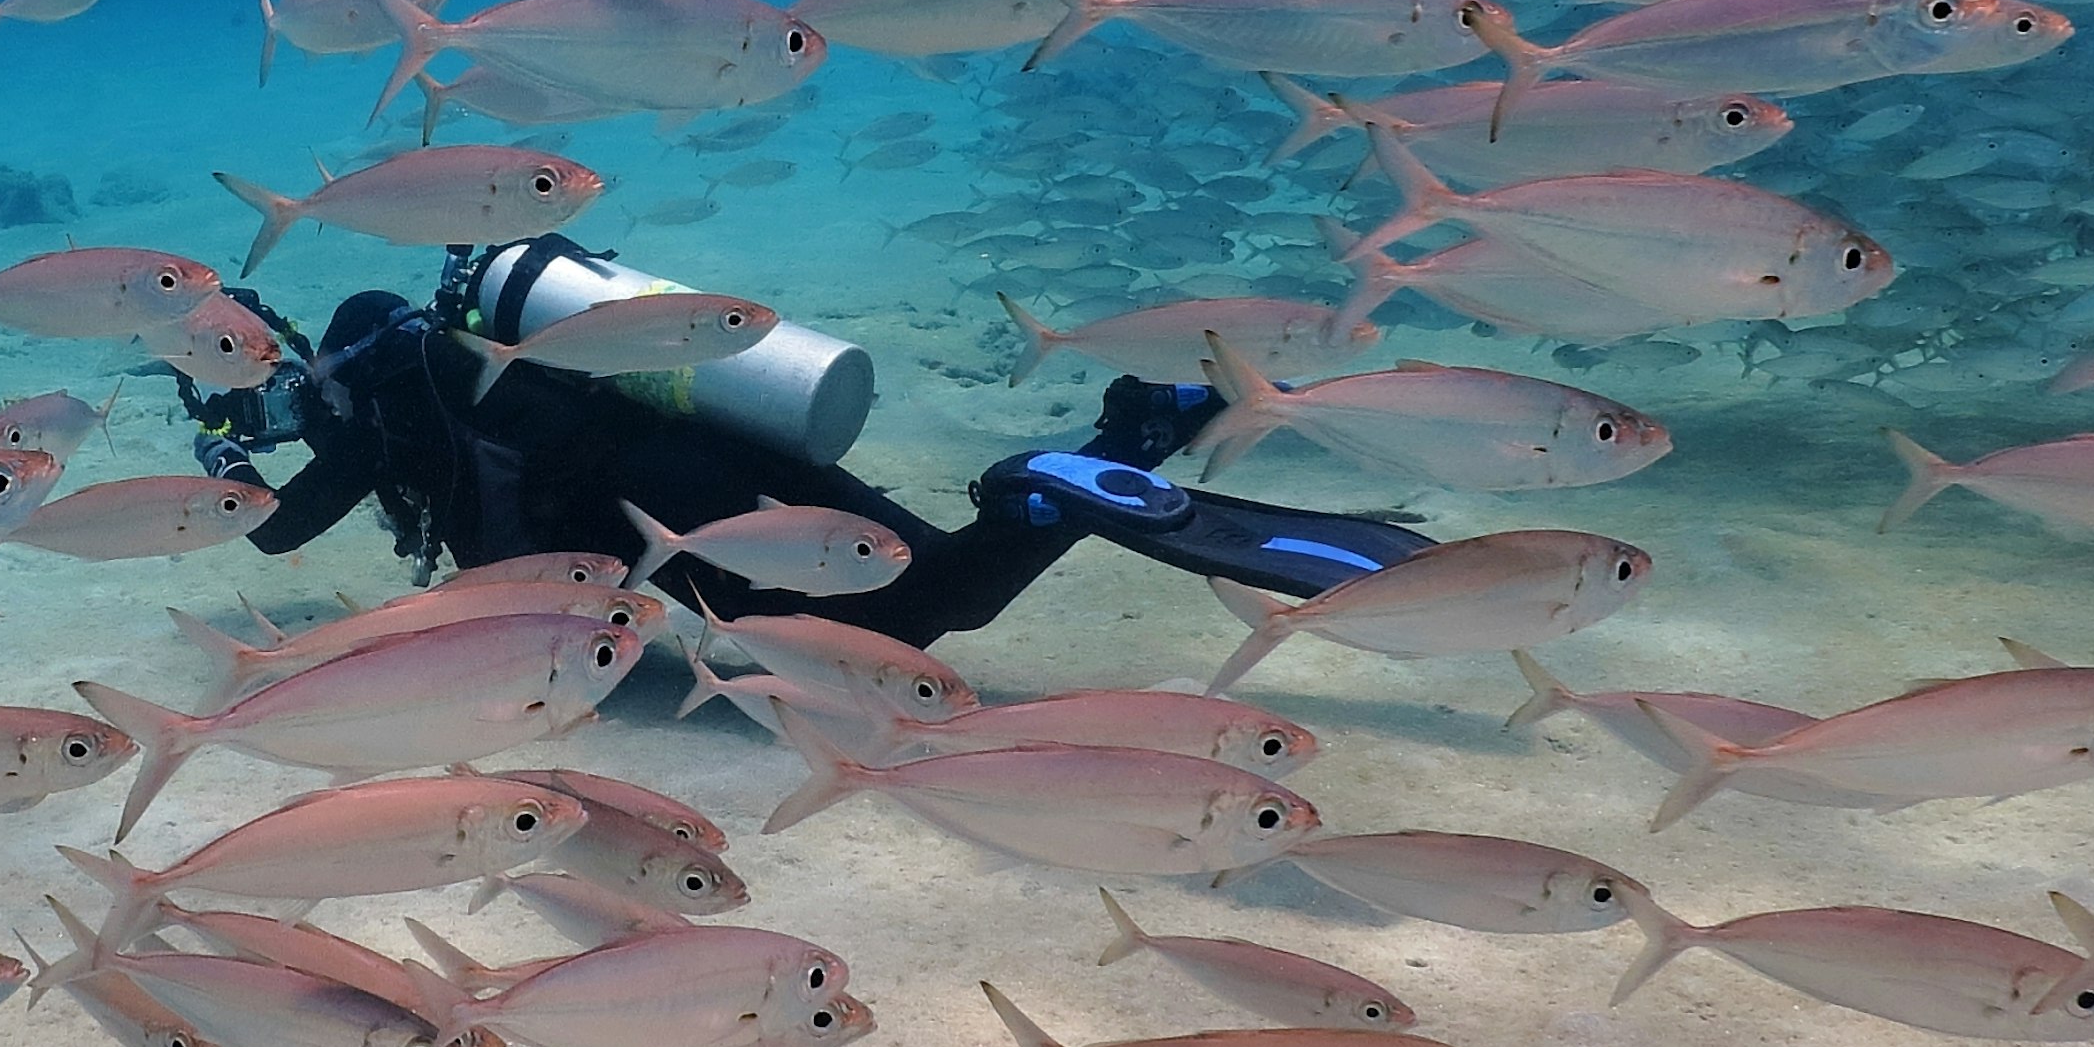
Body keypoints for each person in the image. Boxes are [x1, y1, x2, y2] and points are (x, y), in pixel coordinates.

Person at [177, 237, 1432, 650]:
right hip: (719, 447)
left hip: (668, 516)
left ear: (316, 365)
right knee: (923, 568)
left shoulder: (382, 394)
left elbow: (289, 530)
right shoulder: (472, 355)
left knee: (914, 620)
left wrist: (229, 474)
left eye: (273, 394)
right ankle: (1131, 434)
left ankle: (1043, 494)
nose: (282, 414)